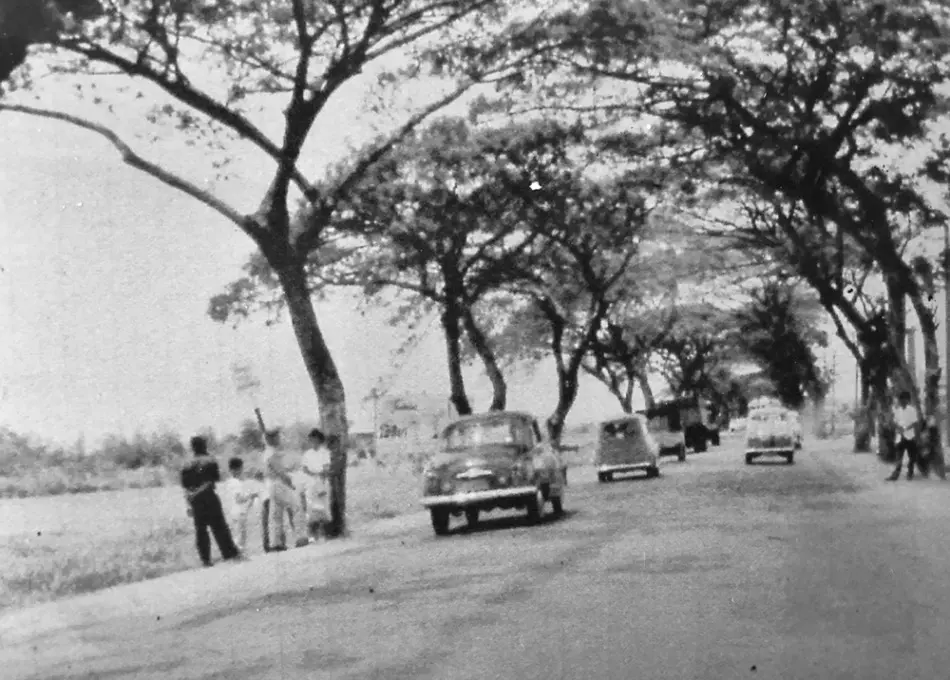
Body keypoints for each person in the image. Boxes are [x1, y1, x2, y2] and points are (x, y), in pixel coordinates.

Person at [180, 435, 241, 566]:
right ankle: (229, 553)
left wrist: (188, 503)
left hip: (195, 501)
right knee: (219, 526)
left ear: (192, 447)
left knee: (200, 530)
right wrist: (197, 492)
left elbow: (185, 487)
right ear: (204, 446)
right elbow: (210, 482)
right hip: (209, 497)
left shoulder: (186, 464)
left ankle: (205, 559)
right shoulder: (210, 460)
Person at [261, 428, 307, 551]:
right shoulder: (272, 453)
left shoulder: (267, 452)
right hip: (278, 483)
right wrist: (291, 484)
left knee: (276, 514)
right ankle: (301, 537)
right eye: (277, 436)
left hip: (271, 485)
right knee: (296, 506)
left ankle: (276, 543)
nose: (279, 438)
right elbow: (280, 472)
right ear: (272, 438)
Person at [219, 457, 264, 553]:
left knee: (238, 535)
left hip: (233, 512)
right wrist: (251, 496)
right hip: (239, 513)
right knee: (241, 537)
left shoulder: (229, 482)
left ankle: (236, 552)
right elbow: (239, 499)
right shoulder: (236, 483)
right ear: (239, 469)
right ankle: (237, 553)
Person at [299, 428, 333, 542]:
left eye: (315, 439)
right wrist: (312, 474)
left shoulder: (325, 452)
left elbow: (326, 468)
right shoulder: (307, 454)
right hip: (310, 483)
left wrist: (319, 475)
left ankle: (323, 534)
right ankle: (312, 535)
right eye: (311, 440)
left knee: (323, 508)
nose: (313, 442)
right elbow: (304, 468)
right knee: (311, 509)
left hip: (321, 481)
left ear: (319, 440)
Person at [887, 391, 922, 482]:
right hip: (900, 437)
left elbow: (915, 423)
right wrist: (898, 427)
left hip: (910, 436)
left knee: (911, 457)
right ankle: (895, 474)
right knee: (899, 456)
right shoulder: (898, 411)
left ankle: (910, 473)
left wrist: (906, 428)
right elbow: (895, 422)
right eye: (900, 400)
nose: (901, 402)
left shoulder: (912, 410)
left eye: (903, 400)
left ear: (907, 400)